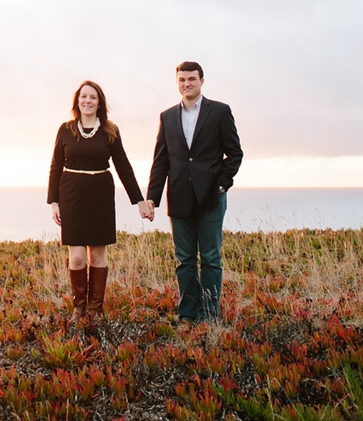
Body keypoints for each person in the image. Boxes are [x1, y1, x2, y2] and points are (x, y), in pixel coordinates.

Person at [146, 62, 243, 323]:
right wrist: (152, 197)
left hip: (212, 197)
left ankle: (210, 315)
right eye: (181, 80)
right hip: (178, 198)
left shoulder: (220, 111)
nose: (186, 83)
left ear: (201, 81)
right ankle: (188, 315)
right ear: (177, 83)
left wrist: (221, 184)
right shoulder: (167, 117)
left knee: (211, 259)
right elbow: (161, 161)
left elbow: (234, 153)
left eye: (191, 79)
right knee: (184, 260)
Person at [48, 80, 153, 319]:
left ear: (99, 103)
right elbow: (55, 166)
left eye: (92, 97)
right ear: (77, 101)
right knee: (76, 257)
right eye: (83, 96)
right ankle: (79, 307)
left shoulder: (110, 131)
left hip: (100, 196)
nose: (87, 101)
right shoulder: (65, 129)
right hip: (71, 195)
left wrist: (139, 201)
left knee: (97, 255)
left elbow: (123, 167)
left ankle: (95, 309)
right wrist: (53, 201)